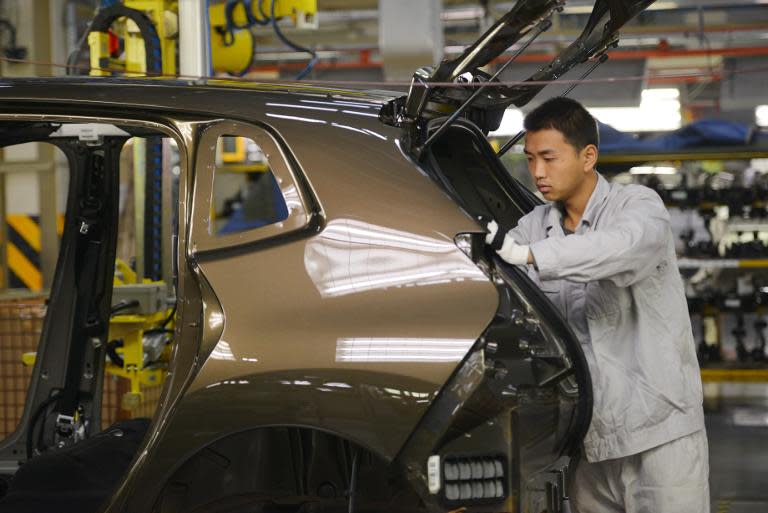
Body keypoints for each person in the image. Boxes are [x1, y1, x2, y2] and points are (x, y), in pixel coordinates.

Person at [486, 97, 709, 513]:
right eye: (531, 158)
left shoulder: (639, 207)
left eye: (549, 158)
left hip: (659, 435)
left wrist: (533, 257)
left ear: (588, 156)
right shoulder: (533, 227)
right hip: (587, 439)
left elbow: (622, 249)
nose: (537, 172)